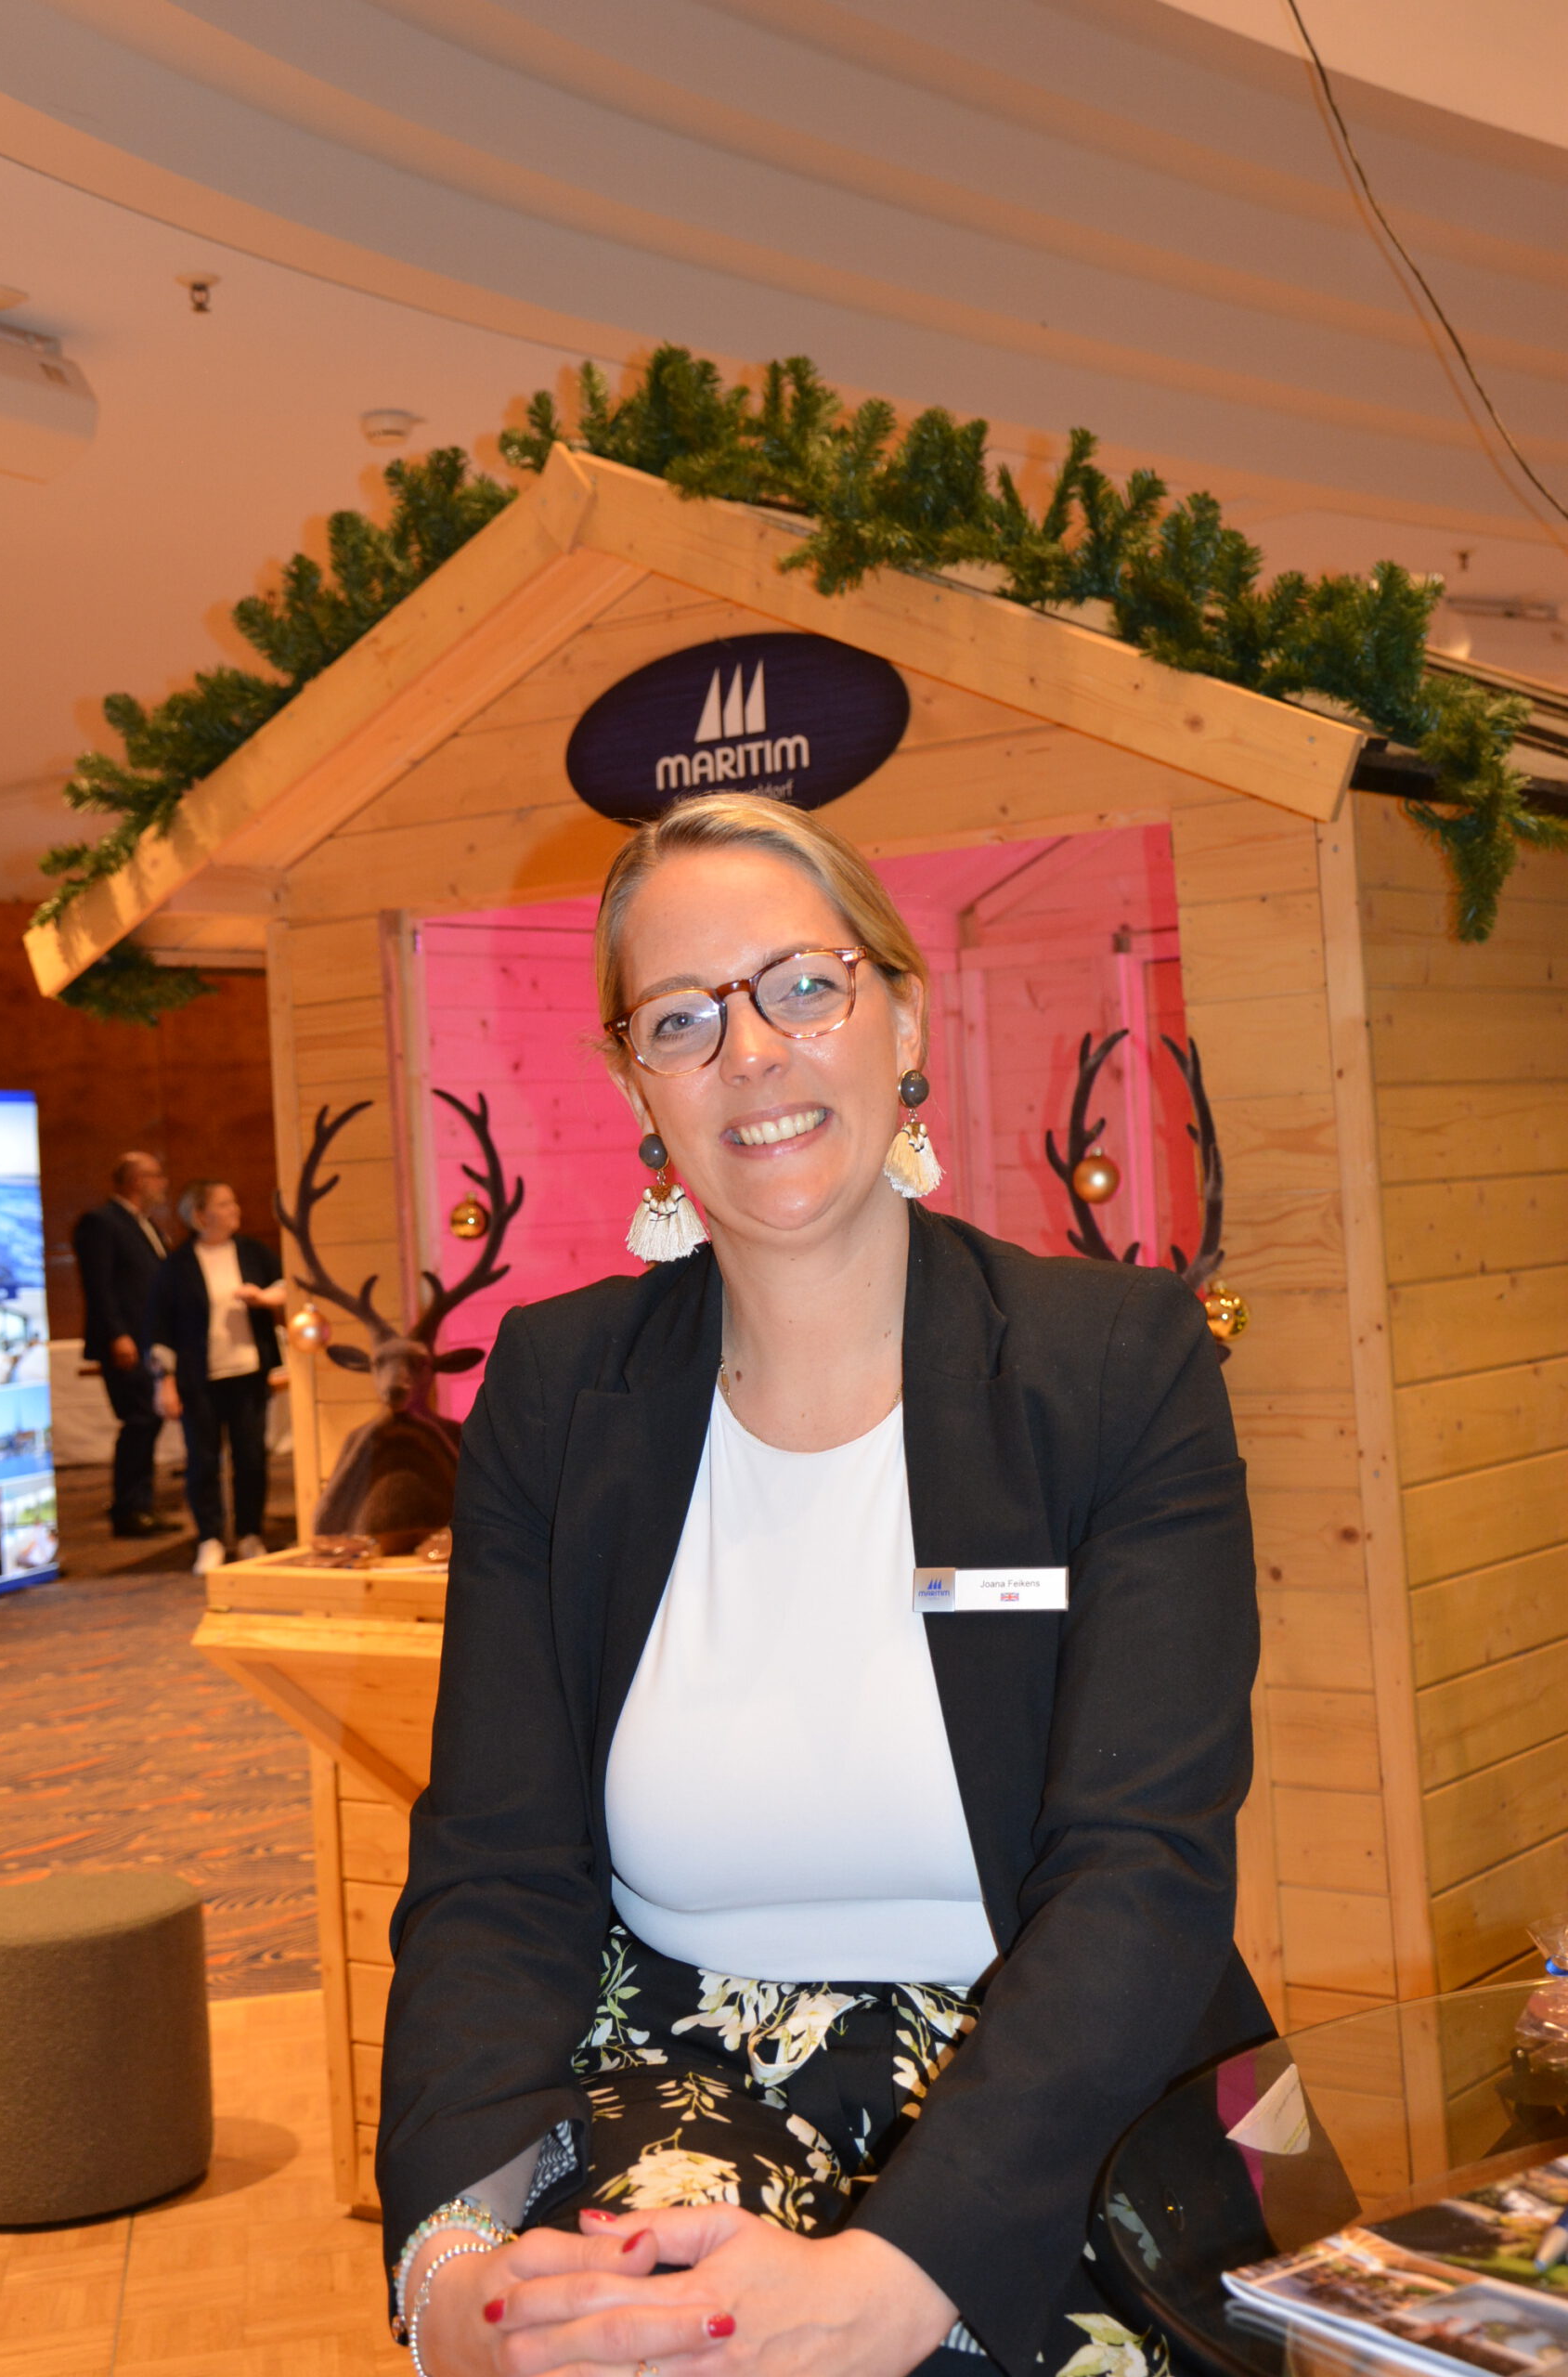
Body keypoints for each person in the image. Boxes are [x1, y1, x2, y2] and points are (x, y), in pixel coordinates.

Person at [378, 794, 1269, 2377]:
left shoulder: (1110, 1371)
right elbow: (495, 1870)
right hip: (655, 2082)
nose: (751, 1053)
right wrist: (449, 2265)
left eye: (803, 986)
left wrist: (899, 2274)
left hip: (1060, 2095)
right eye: (680, 1017)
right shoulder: (556, 1390)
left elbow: (1143, 1871)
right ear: (636, 1085)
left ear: (900, 1017)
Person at [148, 1181, 284, 1576]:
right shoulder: (176, 1265)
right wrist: (164, 1381)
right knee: (203, 1462)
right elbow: (159, 1328)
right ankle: (210, 1538)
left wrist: (264, 1298)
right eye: (224, 1204)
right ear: (200, 1215)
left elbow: (286, 1285)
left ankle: (250, 1534)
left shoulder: (253, 1251)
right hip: (199, 1380)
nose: (234, 1209)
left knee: (251, 1458)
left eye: (233, 1201)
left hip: (249, 1374)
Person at [71, 1151, 180, 1539]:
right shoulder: (101, 1223)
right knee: (140, 1419)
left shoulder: (144, 1224)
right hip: (127, 1342)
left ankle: (140, 1505)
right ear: (136, 1181)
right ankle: (130, 1509)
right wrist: (117, 1333)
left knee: (148, 1419)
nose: (163, 1183)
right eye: (156, 1176)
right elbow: (98, 1286)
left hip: (149, 1340)